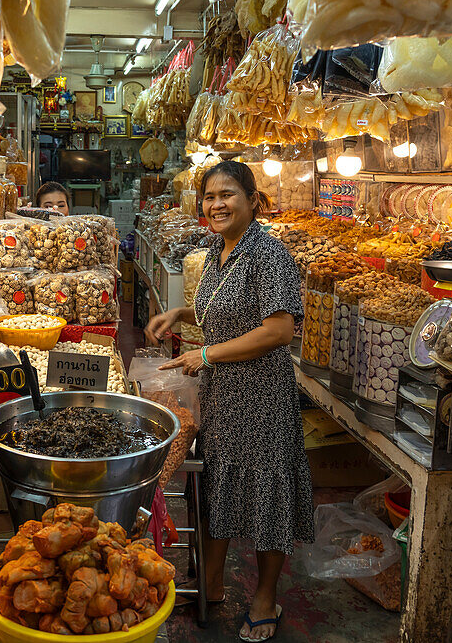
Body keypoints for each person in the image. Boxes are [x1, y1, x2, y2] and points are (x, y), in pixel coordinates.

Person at [144, 160, 313, 642]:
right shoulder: (220, 251)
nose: (217, 204)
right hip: (222, 396)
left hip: (262, 397)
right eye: (210, 197)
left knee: (266, 494)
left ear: (252, 201)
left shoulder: (268, 253)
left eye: (228, 195)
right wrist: (182, 313)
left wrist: (206, 353)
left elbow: (279, 329)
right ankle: (212, 585)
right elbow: (227, 315)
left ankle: (265, 597)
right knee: (218, 483)